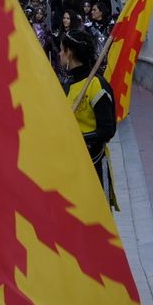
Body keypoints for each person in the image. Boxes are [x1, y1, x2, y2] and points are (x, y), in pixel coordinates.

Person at [57, 29, 117, 207]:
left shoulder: (96, 85)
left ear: (70, 53)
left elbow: (107, 130)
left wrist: (79, 139)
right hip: (71, 167)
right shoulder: (65, 86)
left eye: (61, 50)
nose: (59, 54)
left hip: (94, 165)